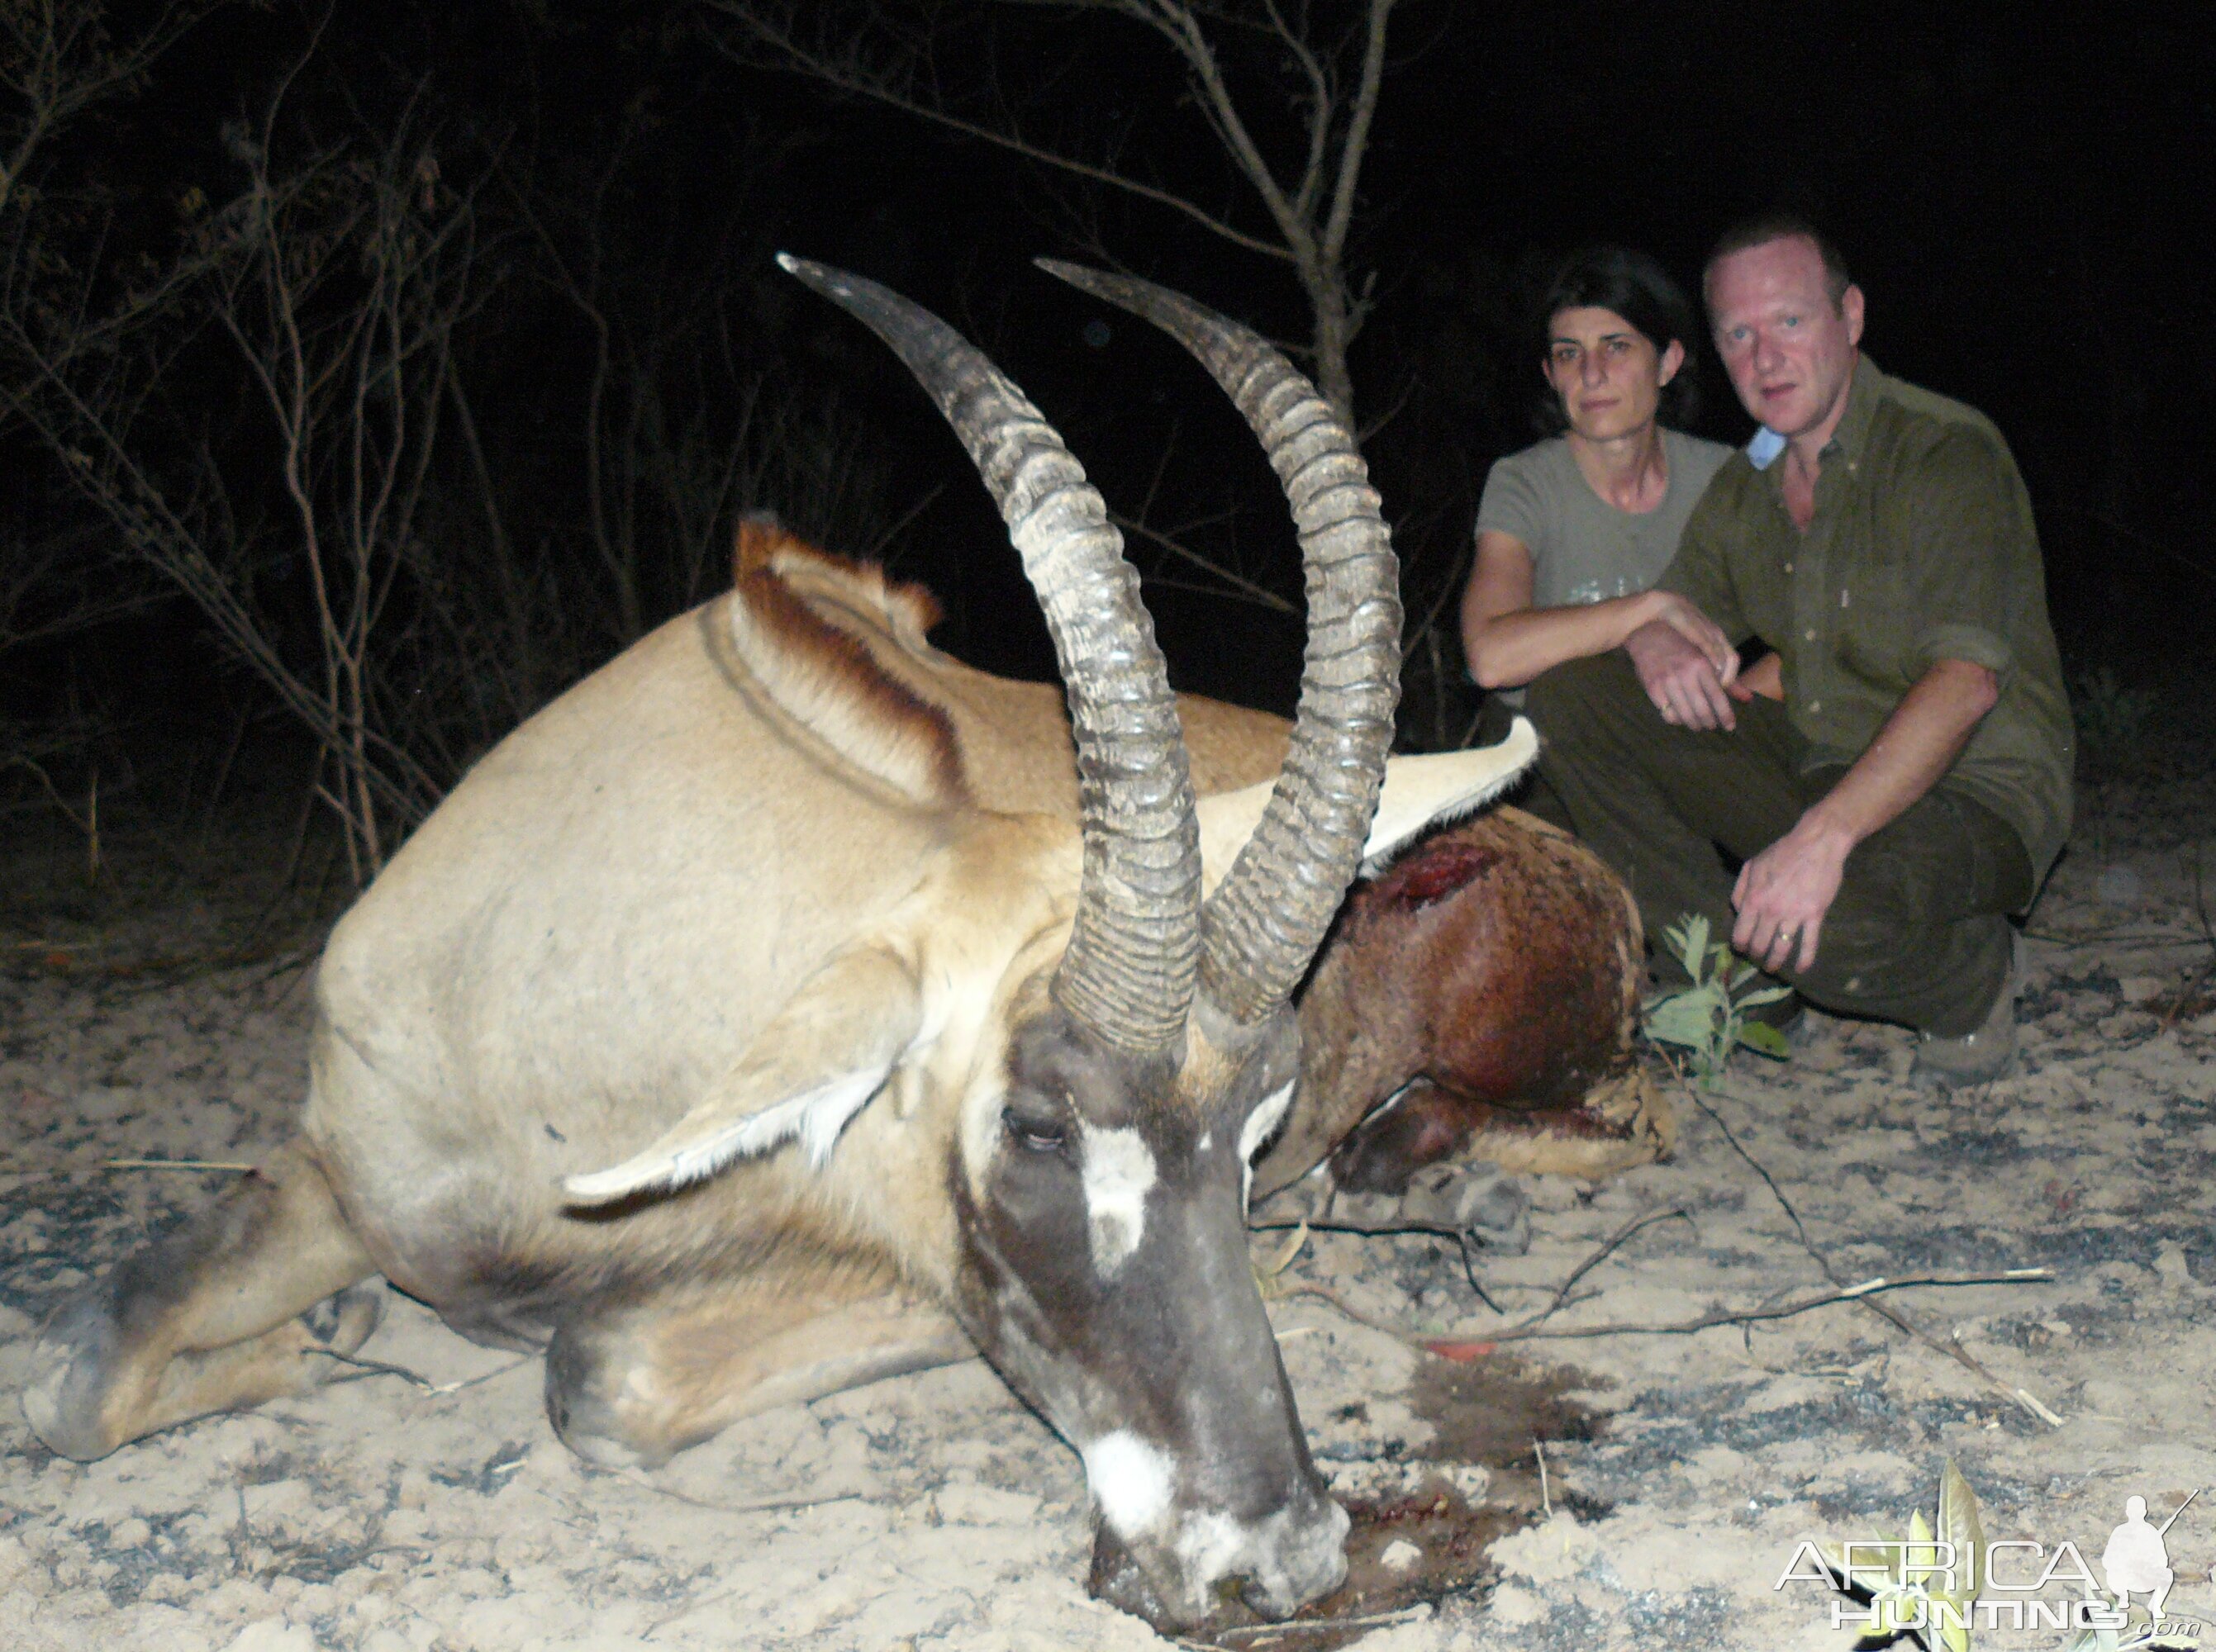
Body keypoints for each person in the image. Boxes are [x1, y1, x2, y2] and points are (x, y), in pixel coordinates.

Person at [1527, 215, 2072, 1086]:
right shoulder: (1749, 487)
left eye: (1790, 321)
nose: (1765, 357)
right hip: (1819, 765)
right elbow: (1675, 602)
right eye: (1739, 334)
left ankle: (1970, 981)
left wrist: (1819, 841)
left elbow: (1965, 683)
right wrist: (1659, 635)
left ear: (1849, 316)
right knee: (1570, 696)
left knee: (1828, 921)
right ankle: (1727, 983)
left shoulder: (1943, 450)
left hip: (1973, 788)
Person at [1460, 246, 1736, 821]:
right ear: (1550, 376)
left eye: (1616, 346)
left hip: (1673, 737)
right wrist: (1648, 613)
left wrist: (1734, 695)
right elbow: (1490, 656)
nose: (1591, 375)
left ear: (1667, 362)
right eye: (1568, 354)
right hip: (1535, 756)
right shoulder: (1523, 482)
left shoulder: (1724, 478)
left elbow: (1809, 626)